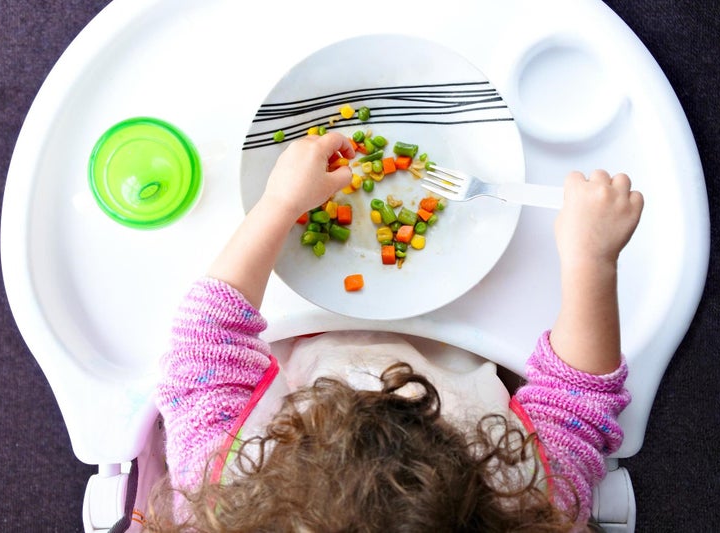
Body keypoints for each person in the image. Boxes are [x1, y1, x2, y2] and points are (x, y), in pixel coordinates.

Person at [146, 132, 644, 532]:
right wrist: (592, 260)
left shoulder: (217, 490)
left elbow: (203, 345)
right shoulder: (531, 502)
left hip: (301, 344)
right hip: (460, 349)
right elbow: (577, 399)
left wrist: (278, 204)